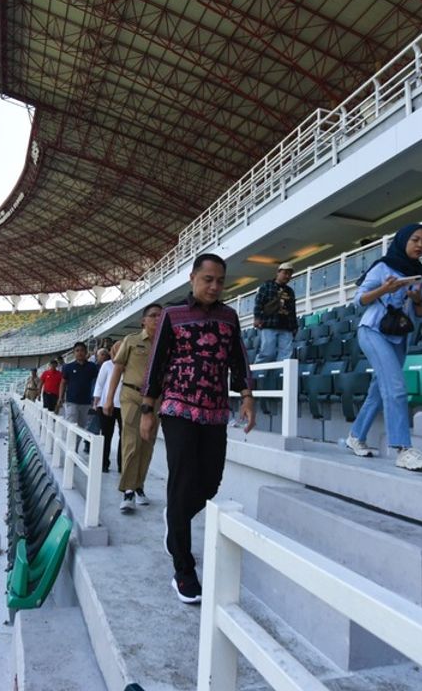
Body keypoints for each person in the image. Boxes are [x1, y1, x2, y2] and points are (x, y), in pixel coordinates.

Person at [142, 254, 255, 604]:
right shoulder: (173, 315)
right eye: (208, 279)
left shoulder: (229, 316)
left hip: (216, 411)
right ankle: (184, 569)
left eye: (220, 280)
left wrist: (247, 396)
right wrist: (148, 408)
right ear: (192, 278)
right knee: (183, 478)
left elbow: (238, 359)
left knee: (210, 483)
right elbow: (157, 362)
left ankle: (174, 517)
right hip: (177, 407)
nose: (214, 286)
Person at [342, 223, 422, 472]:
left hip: (400, 336)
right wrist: (386, 288)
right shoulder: (383, 266)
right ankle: (403, 449)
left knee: (377, 392)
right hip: (372, 330)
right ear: (403, 240)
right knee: (395, 387)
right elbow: (358, 299)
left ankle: (355, 436)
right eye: (415, 239)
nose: (420, 245)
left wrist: (418, 300)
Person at [105, 303, 162, 513]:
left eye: (161, 315)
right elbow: (117, 370)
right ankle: (128, 490)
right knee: (131, 443)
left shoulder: (166, 343)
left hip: (155, 399)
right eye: (153, 316)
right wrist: (108, 400)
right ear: (143, 321)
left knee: (147, 445)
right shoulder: (131, 341)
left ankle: (139, 486)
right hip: (131, 396)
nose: (158, 319)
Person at [252, 262, 299, 363]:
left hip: (286, 326)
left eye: (289, 274)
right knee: (267, 353)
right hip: (269, 324)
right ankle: (256, 376)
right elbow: (258, 303)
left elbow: (292, 310)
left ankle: (280, 377)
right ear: (278, 272)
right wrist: (257, 318)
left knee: (286, 355)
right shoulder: (267, 286)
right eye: (285, 273)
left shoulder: (290, 291)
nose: (287, 276)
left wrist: (295, 326)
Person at [93, 342, 123, 474]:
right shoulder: (107, 365)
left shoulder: (130, 365)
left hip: (124, 406)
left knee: (125, 437)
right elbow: (100, 384)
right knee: (106, 435)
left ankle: (122, 466)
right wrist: (96, 401)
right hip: (106, 405)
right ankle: (104, 463)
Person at [57, 342, 99, 438]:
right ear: (74, 353)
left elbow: (97, 383)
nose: (80, 353)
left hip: (86, 402)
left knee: (81, 428)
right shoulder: (67, 367)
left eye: (82, 350)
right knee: (71, 425)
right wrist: (60, 397)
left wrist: (95, 398)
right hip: (72, 401)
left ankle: (74, 449)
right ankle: (68, 448)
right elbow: (63, 383)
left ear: (86, 352)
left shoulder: (92, 367)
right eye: (77, 351)